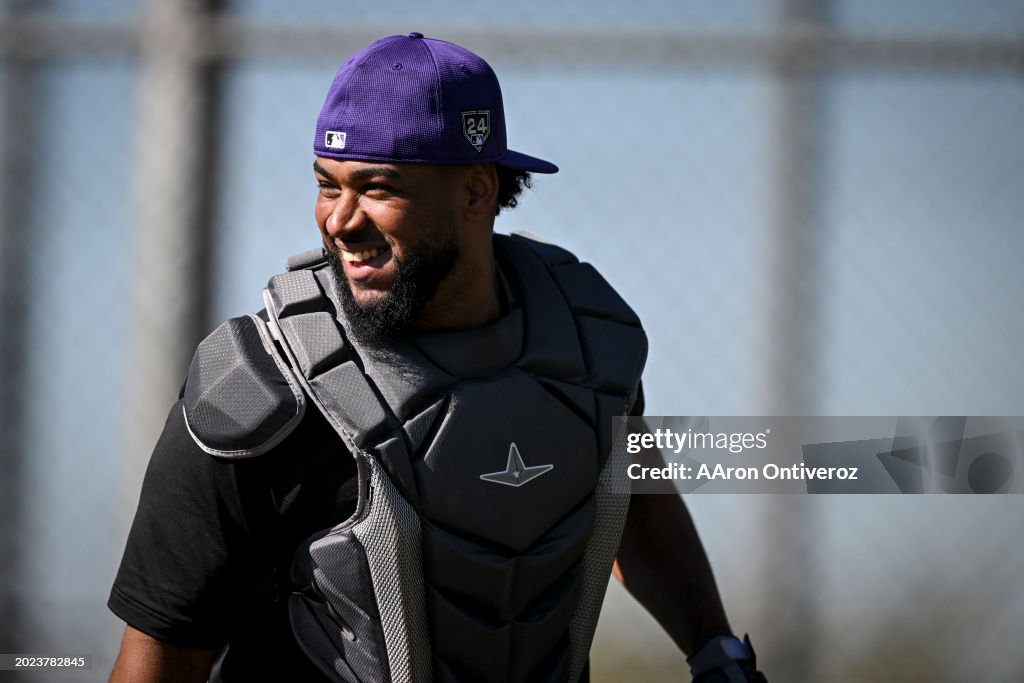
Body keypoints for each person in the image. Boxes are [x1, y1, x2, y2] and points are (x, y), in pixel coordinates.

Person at [108, 33, 767, 683]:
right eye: (327, 184)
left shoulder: (586, 349)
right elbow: (162, 652)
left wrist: (714, 649)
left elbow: (634, 498)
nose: (339, 219)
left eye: (376, 187)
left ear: (477, 192)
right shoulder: (261, 387)